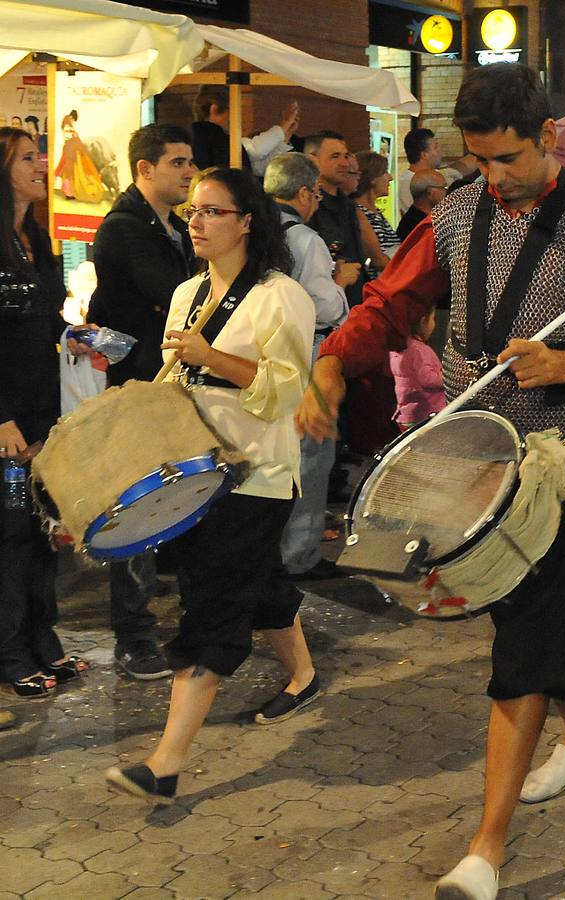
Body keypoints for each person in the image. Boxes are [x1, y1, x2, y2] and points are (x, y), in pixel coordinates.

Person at [293, 62, 565, 900]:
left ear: (547, 139)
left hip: (563, 463)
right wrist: (329, 362)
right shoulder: (458, 214)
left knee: (524, 636)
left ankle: (485, 848)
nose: (492, 179)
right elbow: (389, 304)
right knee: (520, 609)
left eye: (507, 161)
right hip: (473, 450)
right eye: (479, 161)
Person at [103, 166, 319, 805]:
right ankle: (303, 673)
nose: (195, 222)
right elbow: (178, 381)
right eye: (192, 211)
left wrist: (211, 357)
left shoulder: (281, 296)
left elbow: (285, 390)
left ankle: (165, 763)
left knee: (213, 606)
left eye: (211, 212)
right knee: (257, 581)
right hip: (198, 474)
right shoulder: (187, 292)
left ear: (246, 220)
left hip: (258, 474)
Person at [86, 124, 197, 680]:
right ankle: (133, 636)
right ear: (144, 169)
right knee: (134, 507)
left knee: (176, 499)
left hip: (170, 387)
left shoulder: (174, 228)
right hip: (133, 390)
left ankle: (178, 618)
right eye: (178, 162)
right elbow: (176, 295)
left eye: (190, 163)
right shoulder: (124, 229)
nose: (188, 172)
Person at [1, 127, 89, 699]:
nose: (41, 165)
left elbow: (41, 322)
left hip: (42, 415)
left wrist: (74, 335)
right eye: (29, 157)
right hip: (6, 422)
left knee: (38, 531)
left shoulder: (38, 237)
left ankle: (44, 640)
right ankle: (10, 654)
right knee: (8, 534)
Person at [263, 152, 350, 580]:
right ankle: (298, 555)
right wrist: (342, 287)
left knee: (271, 456)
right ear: (303, 192)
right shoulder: (304, 239)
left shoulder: (251, 227)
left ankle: (268, 552)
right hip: (306, 353)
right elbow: (324, 304)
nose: (316, 200)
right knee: (311, 455)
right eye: (315, 193)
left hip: (259, 355)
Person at [304, 131, 366, 308]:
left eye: (346, 156)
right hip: (325, 311)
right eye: (335, 156)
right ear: (313, 159)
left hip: (354, 307)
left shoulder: (348, 205)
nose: (345, 163)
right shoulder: (309, 207)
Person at [190, 87, 296, 175]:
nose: (236, 116)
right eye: (233, 109)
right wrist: (283, 127)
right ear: (214, 109)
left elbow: (258, 167)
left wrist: (284, 139)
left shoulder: (204, 136)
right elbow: (256, 150)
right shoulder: (212, 138)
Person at [389, 309, 445, 429]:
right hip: (425, 413)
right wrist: (448, 376)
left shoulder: (398, 347)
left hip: (406, 413)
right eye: (433, 319)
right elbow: (428, 379)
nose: (434, 324)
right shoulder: (419, 350)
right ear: (423, 322)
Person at [350, 151, 397, 279]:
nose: (390, 178)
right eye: (385, 172)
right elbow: (378, 259)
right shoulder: (358, 212)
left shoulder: (375, 212)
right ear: (372, 178)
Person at [398, 127, 443, 215]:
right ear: (424, 155)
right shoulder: (409, 182)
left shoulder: (434, 175)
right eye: (436, 147)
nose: (440, 151)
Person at [397, 169, 447, 242]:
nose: (446, 192)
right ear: (430, 193)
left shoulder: (413, 218)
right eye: (443, 187)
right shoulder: (421, 227)